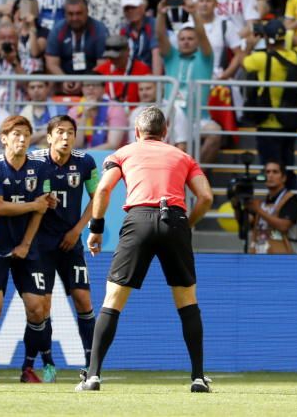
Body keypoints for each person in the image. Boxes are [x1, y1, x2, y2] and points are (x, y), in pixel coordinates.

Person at [76, 106, 214, 393]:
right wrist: (186, 225)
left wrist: (97, 230)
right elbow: (206, 197)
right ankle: (198, 377)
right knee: (187, 300)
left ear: (136, 132)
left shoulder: (123, 153)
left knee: (113, 299)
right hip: (174, 219)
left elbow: (102, 190)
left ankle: (92, 376)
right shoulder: (183, 156)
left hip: (138, 219)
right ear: (165, 132)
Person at [0, 116, 57, 383]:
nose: (22, 140)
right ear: (4, 138)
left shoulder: (41, 167)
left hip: (27, 249)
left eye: (26, 135)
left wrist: (25, 244)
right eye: (16, 134)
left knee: (37, 308)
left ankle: (28, 368)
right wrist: (35, 205)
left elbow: (41, 211)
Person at [31, 114, 100, 380]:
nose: (65, 137)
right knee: (43, 305)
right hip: (41, 244)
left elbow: (97, 198)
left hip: (71, 242)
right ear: (49, 137)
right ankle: (48, 363)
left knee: (83, 300)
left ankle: (90, 366)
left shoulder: (85, 162)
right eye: (60, 132)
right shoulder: (35, 162)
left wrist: (77, 230)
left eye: (70, 132)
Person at [241, 19, 297, 167]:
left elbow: (243, 63)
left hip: (267, 122)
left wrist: (249, 46)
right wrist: (288, 32)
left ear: (266, 38)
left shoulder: (259, 59)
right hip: (290, 120)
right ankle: (291, 188)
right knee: (287, 165)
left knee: (270, 168)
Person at [45, 0, 110, 95]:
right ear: (65, 14)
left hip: (92, 83)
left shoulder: (99, 30)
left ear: (87, 12)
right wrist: (65, 80)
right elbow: (51, 63)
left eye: (79, 13)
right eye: (70, 14)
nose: (75, 18)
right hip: (63, 81)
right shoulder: (57, 30)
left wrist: (83, 81)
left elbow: (102, 64)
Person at [247, 159, 297, 254]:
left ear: (283, 178)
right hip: (261, 255)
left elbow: (284, 226)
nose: (270, 175)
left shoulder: (292, 199)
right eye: (267, 172)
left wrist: (259, 210)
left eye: (275, 172)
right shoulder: (261, 202)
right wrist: (237, 206)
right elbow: (247, 223)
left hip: (287, 258)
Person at [68, 76, 129, 151]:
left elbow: (113, 144)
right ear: (82, 89)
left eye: (95, 85)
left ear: (103, 89)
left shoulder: (115, 108)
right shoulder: (73, 111)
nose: (90, 88)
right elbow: (76, 144)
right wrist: (84, 115)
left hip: (110, 157)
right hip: (82, 157)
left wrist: (86, 154)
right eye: (87, 85)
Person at [128, 82, 190, 151]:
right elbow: (133, 144)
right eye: (141, 89)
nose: (144, 93)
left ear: (159, 89)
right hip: (143, 157)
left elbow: (181, 143)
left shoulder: (175, 110)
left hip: (168, 157)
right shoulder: (135, 113)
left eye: (148, 88)